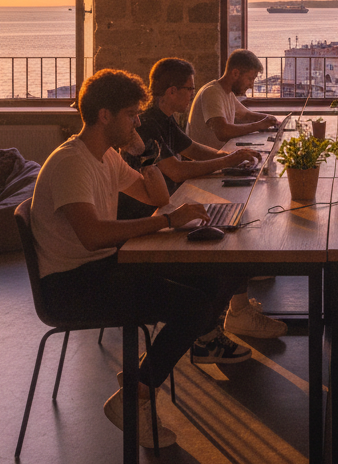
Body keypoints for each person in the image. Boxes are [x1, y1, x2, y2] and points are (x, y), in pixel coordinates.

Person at [30, 69, 249, 451]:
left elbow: (156, 197)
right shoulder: (72, 162)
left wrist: (147, 155)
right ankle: (137, 397)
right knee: (193, 305)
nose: (137, 122)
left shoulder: (106, 157)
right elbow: (94, 234)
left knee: (218, 275)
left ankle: (137, 388)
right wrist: (166, 223)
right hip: (71, 284)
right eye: (131, 115)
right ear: (104, 116)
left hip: (103, 266)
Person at [120, 57, 287, 339]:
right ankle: (220, 324)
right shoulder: (147, 124)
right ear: (171, 91)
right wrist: (227, 161)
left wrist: (230, 158)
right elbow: (177, 169)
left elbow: (192, 149)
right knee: (235, 239)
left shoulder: (162, 118)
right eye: (188, 89)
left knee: (239, 221)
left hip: (170, 204)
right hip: (150, 219)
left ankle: (228, 315)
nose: (191, 94)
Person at [187, 49, 277, 149]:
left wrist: (271, 119)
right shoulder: (212, 92)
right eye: (250, 79)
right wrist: (259, 125)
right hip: (207, 162)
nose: (251, 85)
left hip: (219, 158)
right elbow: (223, 132)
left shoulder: (228, 93)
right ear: (235, 73)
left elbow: (246, 115)